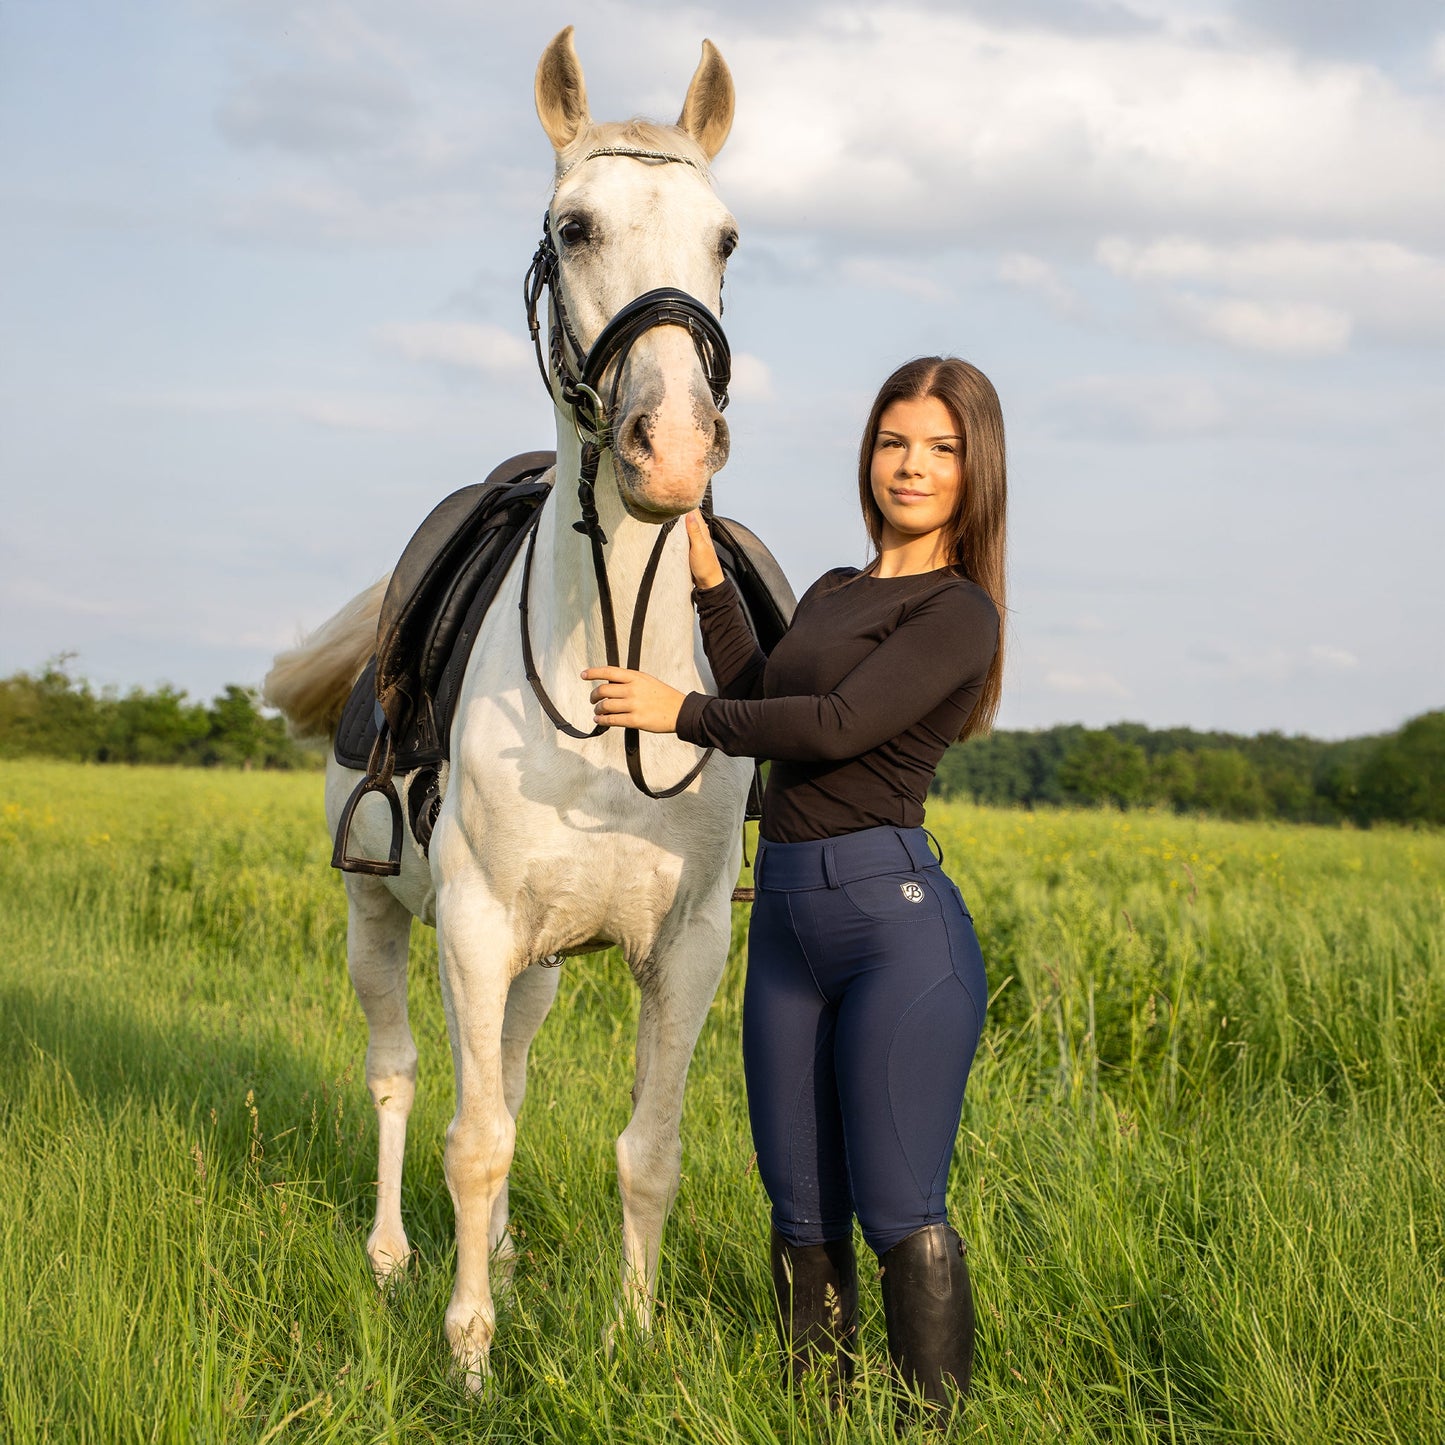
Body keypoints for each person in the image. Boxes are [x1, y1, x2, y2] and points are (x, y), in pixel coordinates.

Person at [583, 356, 1005, 1411]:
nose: (910, 465)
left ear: (975, 469)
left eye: (940, 448)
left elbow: (832, 728)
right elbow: (764, 692)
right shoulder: (832, 590)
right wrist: (709, 582)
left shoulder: (957, 613)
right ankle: (812, 1417)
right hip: (785, 926)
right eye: (894, 439)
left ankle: (926, 1430)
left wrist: (673, 711)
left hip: (892, 930)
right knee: (800, 1205)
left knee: (899, 1206)